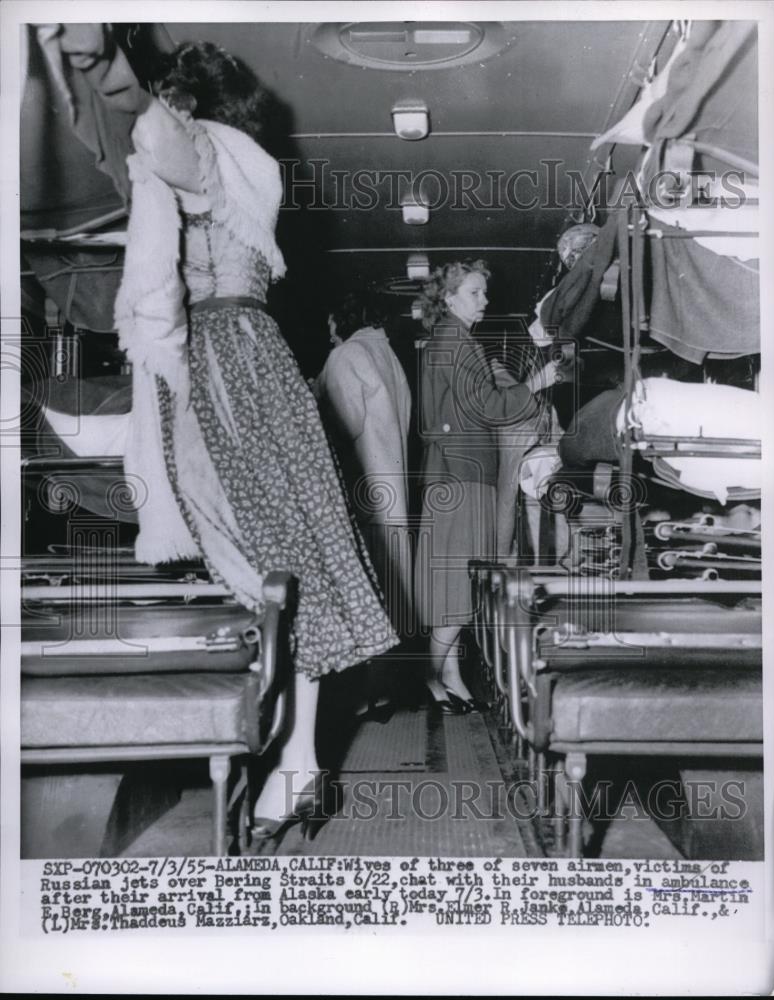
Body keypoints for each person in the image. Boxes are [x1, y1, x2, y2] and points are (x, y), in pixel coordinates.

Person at [59, 27, 398, 843]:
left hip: (214, 362)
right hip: (262, 357)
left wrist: (104, 57)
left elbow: (149, 135)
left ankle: (289, 754)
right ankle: (300, 759)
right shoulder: (252, 168)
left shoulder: (203, 150)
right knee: (290, 560)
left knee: (255, 556)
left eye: (178, 98)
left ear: (191, 103)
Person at [415, 260, 561, 711]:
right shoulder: (456, 342)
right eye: (475, 293)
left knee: (458, 584)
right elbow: (490, 407)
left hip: (459, 474)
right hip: (463, 478)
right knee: (458, 587)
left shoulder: (452, 341)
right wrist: (538, 381)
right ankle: (426, 674)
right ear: (450, 297)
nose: (485, 300)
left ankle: (451, 678)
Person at [314, 290, 413, 638]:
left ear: (343, 320)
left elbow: (344, 424)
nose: (328, 332)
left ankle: (377, 685)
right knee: (397, 580)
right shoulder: (387, 354)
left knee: (370, 587)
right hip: (392, 486)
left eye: (330, 323)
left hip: (363, 487)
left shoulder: (346, 355)